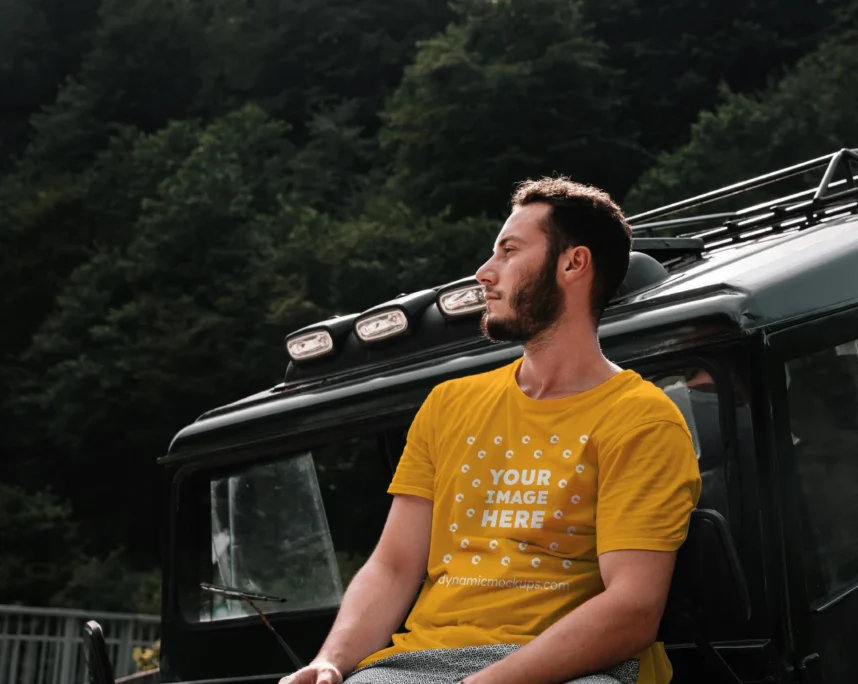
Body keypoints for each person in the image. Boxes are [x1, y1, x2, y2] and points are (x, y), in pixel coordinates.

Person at [279, 178, 702, 684]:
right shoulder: (449, 404)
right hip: (415, 666)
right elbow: (393, 567)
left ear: (573, 264)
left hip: (571, 669)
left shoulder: (641, 420)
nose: (485, 272)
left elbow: (632, 609)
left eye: (509, 251)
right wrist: (332, 661)